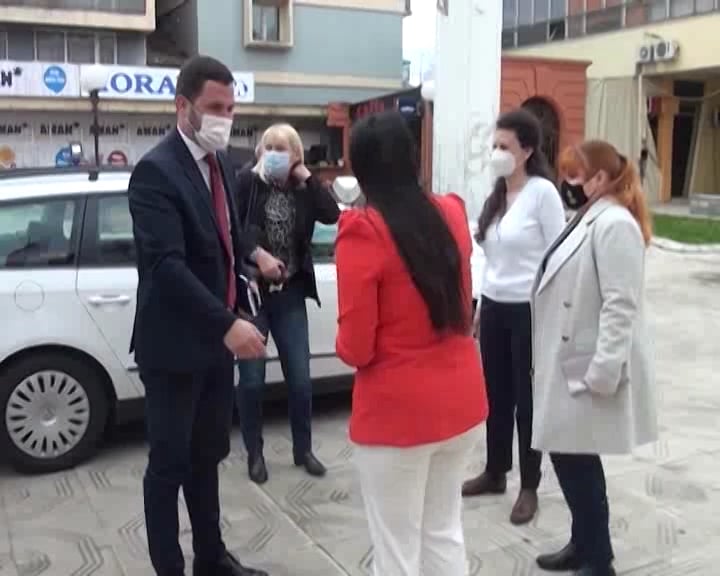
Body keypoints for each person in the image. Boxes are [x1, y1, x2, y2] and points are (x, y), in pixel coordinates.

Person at [128, 55, 269, 576]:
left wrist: (254, 257)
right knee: (169, 466)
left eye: (230, 108)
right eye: (214, 107)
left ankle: (212, 557)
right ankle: (170, 567)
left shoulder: (221, 164)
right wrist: (227, 324)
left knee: (207, 456)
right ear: (182, 105)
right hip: (174, 348)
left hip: (214, 347)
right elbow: (166, 266)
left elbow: (226, 236)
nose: (224, 118)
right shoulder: (155, 172)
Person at [335, 110, 488, 576]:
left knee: (396, 550)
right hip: (461, 402)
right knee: (443, 532)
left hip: (397, 415)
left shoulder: (363, 231)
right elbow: (463, 307)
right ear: (412, 156)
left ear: (361, 168)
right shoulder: (451, 212)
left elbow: (356, 348)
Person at [532, 141, 657, 576]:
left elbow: (621, 304)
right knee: (570, 456)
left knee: (577, 460)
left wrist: (604, 370)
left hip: (586, 364)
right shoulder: (591, 215)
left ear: (600, 178)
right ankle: (583, 542)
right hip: (570, 358)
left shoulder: (615, 224)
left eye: (575, 174)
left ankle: (599, 559)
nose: (568, 182)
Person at [462, 108, 565, 525]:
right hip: (495, 305)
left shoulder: (542, 194)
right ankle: (495, 471)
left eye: (505, 146)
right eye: (494, 145)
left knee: (527, 400)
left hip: (529, 309)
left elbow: (558, 255)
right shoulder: (497, 196)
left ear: (527, 150)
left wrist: (552, 311)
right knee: (496, 394)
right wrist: (479, 305)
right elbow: (489, 259)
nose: (497, 153)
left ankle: (529, 485)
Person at [234, 123, 340, 484]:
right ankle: (255, 454)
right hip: (254, 294)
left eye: (283, 149)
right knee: (251, 380)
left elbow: (332, 214)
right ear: (260, 152)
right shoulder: (247, 183)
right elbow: (231, 229)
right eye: (269, 147)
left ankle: (303, 450)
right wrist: (257, 254)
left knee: (300, 378)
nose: (275, 155)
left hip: (291, 293)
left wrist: (306, 175)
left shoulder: (302, 189)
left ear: (296, 155)